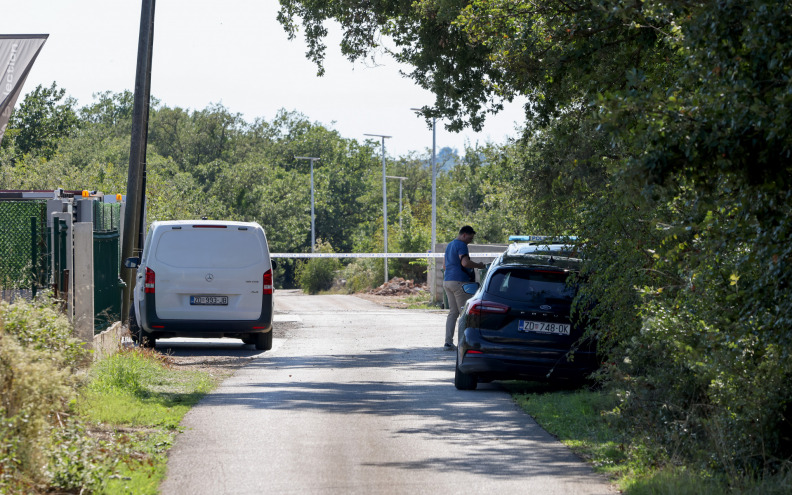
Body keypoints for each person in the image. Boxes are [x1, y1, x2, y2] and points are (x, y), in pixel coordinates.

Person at [443, 225, 486, 350]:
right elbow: (465, 263)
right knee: (464, 314)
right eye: (470, 238)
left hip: (447, 281)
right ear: (464, 235)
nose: (470, 241)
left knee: (453, 313)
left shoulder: (450, 245)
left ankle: (448, 342)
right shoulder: (461, 245)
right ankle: (465, 344)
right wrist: (479, 265)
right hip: (459, 283)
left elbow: (445, 266)